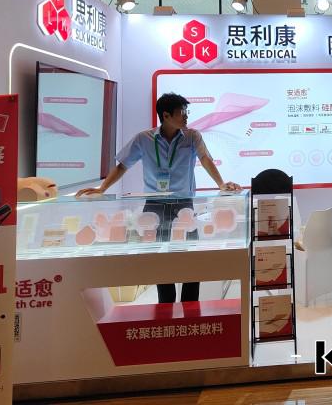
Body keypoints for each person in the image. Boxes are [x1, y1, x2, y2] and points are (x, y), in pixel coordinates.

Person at [76, 93, 240, 303]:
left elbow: (205, 159)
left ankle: (190, 306)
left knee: (191, 257)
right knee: (159, 258)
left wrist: (221, 184)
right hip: (154, 207)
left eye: (186, 111)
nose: (186, 116)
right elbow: (123, 165)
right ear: (166, 115)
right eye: (181, 112)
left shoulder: (192, 136)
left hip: (184, 205)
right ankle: (166, 305)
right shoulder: (143, 139)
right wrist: (102, 188)